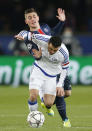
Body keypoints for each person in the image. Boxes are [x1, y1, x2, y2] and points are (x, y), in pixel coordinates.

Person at [15, 8, 71, 127]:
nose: (32, 19)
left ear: (38, 17)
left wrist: (61, 22)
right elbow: (25, 35)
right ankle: (63, 119)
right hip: (42, 68)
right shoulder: (31, 39)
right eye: (29, 18)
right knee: (48, 94)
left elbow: (54, 35)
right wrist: (39, 57)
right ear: (26, 21)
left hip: (57, 66)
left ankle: (47, 104)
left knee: (65, 94)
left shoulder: (45, 28)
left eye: (34, 16)